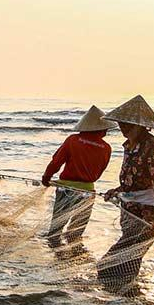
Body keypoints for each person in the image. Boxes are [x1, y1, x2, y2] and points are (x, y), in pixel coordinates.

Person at [97, 95, 154, 289]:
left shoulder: (151, 146)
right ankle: (127, 300)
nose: (123, 128)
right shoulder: (128, 146)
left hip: (145, 217)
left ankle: (128, 300)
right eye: (121, 124)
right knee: (126, 263)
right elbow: (132, 183)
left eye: (127, 124)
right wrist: (117, 191)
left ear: (140, 125)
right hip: (129, 212)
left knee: (110, 265)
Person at [41, 105, 116, 248]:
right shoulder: (106, 148)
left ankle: (54, 256)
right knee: (76, 231)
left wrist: (46, 177)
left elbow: (56, 162)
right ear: (100, 129)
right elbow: (99, 172)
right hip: (87, 192)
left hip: (65, 190)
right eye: (105, 128)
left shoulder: (73, 140)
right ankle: (72, 257)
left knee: (56, 228)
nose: (107, 131)